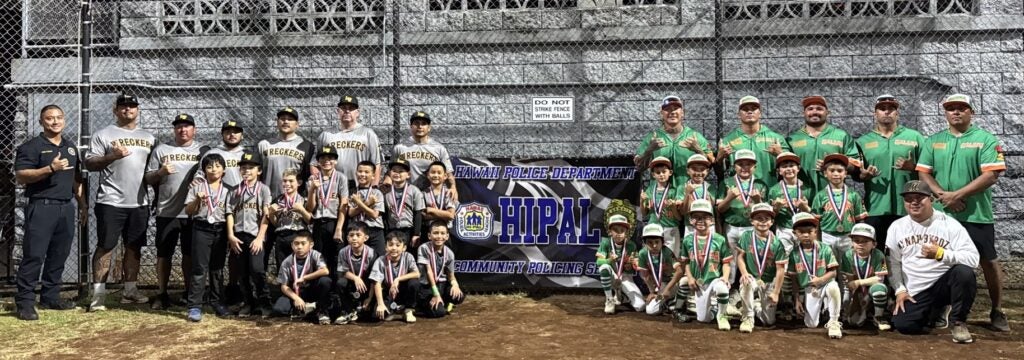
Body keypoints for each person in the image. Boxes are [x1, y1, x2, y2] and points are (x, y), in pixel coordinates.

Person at [916, 93, 1009, 331]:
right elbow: (924, 172)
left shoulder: (985, 139)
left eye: (961, 108)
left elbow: (991, 174)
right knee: (940, 259)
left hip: (975, 214)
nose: (956, 112)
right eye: (951, 108)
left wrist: (958, 195)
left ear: (971, 112)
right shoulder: (934, 140)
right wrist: (941, 196)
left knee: (988, 260)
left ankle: (997, 310)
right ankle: (942, 307)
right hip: (942, 213)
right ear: (945, 113)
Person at [14, 104, 87, 320]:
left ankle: (50, 296)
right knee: (34, 255)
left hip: (66, 207)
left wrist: (82, 205)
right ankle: (25, 302)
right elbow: (21, 175)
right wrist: (49, 169)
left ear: (64, 120)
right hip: (42, 206)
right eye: (49, 118)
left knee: (59, 254)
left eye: (58, 118)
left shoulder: (70, 147)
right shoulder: (32, 147)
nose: (55, 122)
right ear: (41, 122)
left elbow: (76, 179)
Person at [84, 94, 155, 311]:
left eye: (132, 106)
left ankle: (130, 291)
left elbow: (153, 170)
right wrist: (111, 156)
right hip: (111, 201)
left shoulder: (149, 137)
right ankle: (98, 296)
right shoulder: (103, 134)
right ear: (116, 110)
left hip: (139, 202)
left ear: (138, 110)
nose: (128, 110)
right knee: (106, 246)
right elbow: (89, 163)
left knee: (134, 247)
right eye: (123, 107)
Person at [886, 180, 979, 343]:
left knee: (964, 273)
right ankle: (936, 311)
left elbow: (973, 259)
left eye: (919, 197)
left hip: (943, 284)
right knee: (904, 326)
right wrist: (899, 290)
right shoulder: (897, 227)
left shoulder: (950, 225)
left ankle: (958, 322)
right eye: (909, 198)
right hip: (916, 290)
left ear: (931, 199)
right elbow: (892, 263)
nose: (914, 202)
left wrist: (942, 254)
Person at [145, 113, 207, 310]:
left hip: (193, 212)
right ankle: (162, 293)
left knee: (190, 254)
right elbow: (148, 178)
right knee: (164, 253)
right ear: (174, 130)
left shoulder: (203, 151)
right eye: (179, 126)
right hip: (167, 210)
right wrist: (160, 172)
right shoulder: (162, 150)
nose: (183, 130)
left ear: (194, 130)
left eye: (187, 126)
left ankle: (189, 293)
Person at [855, 95, 925, 247]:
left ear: (897, 113)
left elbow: (929, 169)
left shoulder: (915, 137)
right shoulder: (863, 142)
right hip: (875, 208)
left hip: (908, 207)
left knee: (909, 251)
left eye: (891, 109)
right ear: (875, 114)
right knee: (878, 253)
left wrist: (912, 167)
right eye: (882, 109)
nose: (887, 112)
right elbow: (856, 174)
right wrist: (863, 175)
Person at [184, 154, 234, 321]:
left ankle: (218, 302)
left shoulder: (229, 190)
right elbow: (188, 211)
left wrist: (229, 234)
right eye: (210, 167)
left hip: (220, 229)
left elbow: (230, 214)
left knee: (217, 268)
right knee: (199, 268)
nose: (214, 170)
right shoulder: (196, 188)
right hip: (201, 228)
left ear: (224, 169)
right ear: (204, 170)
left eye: (218, 166)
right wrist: (197, 200)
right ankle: (194, 306)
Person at [786, 95, 862, 199]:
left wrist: (833, 164)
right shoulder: (792, 139)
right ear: (804, 113)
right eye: (810, 109)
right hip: (801, 197)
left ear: (827, 112)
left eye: (819, 109)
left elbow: (855, 167)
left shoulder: (841, 136)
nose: (814, 112)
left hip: (834, 197)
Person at [228, 149, 273, 317]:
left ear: (259, 171)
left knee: (257, 270)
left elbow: (266, 216)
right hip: (239, 236)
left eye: (251, 167)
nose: (247, 171)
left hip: (256, 236)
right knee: (242, 272)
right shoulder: (234, 191)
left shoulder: (263, 190)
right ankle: (248, 303)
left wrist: (260, 238)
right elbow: (229, 214)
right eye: (244, 168)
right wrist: (231, 236)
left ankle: (265, 303)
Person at [677, 200, 733, 330]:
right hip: (698, 282)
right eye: (696, 217)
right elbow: (686, 262)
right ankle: (714, 308)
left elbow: (726, 263)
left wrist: (725, 277)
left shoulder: (719, 239)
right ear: (690, 220)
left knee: (722, 288)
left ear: (712, 220)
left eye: (705, 217)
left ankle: (722, 315)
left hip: (714, 279)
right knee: (703, 319)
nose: (700, 221)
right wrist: (690, 277)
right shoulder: (687, 240)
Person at [634, 95, 714, 185]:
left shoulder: (695, 136)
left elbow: (710, 167)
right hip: (659, 195)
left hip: (687, 193)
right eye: (667, 109)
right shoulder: (653, 137)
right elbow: (639, 168)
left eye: (676, 108)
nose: (672, 112)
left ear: (682, 113)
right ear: (661, 114)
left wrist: (698, 150)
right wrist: (649, 150)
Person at [787, 212, 843, 339]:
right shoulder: (793, 254)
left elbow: (833, 272)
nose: (806, 235)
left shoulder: (825, 249)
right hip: (808, 288)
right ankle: (824, 308)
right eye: (801, 232)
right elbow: (794, 279)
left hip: (824, 284)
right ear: (794, 233)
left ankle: (834, 322)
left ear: (816, 231)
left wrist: (821, 280)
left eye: (809, 231)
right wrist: (797, 299)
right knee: (811, 324)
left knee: (833, 287)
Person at [735, 203, 788, 333]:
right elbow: (740, 257)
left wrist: (776, 292)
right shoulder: (746, 237)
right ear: (752, 221)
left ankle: (755, 306)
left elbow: (780, 269)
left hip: (768, 280)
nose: (762, 222)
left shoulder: (777, 243)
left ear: (772, 222)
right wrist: (744, 273)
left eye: (766, 219)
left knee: (768, 321)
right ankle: (747, 318)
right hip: (752, 277)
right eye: (758, 218)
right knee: (746, 283)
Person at [716, 96, 790, 187]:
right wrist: (719, 159)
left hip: (769, 190)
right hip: (738, 193)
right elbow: (719, 173)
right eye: (745, 109)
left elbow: (790, 167)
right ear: (738, 114)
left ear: (760, 113)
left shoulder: (776, 139)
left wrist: (780, 153)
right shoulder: (728, 140)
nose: (749, 111)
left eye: (754, 109)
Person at [306, 145, 349, 297]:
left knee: (337, 258)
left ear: (335, 161)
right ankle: (321, 295)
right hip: (318, 223)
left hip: (335, 222)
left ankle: (336, 296)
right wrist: (312, 190)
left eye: (330, 158)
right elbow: (310, 208)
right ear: (318, 162)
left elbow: (344, 205)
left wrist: (339, 228)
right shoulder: (312, 179)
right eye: (322, 158)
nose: (326, 161)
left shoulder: (341, 178)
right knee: (320, 258)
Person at [318, 95, 383, 187]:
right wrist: (320, 186)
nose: (347, 111)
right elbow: (314, 163)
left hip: (360, 186)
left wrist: (374, 187)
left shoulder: (368, 134)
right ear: (338, 111)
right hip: (332, 188)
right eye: (343, 108)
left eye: (351, 108)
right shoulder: (326, 135)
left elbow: (376, 164)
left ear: (358, 112)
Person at [811, 154, 867, 259]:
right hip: (827, 235)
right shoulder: (820, 196)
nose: (836, 174)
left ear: (845, 173)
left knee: (847, 267)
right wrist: (817, 240)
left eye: (840, 171)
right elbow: (816, 222)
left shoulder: (854, 195)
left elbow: (860, 220)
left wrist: (858, 239)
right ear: (825, 174)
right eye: (832, 171)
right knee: (829, 266)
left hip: (848, 236)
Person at [390, 111, 457, 199]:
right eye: (416, 123)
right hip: (406, 195)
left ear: (429, 128)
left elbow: (448, 173)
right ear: (411, 127)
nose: (420, 126)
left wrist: (453, 187)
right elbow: (390, 172)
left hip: (432, 195)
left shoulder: (439, 148)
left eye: (423, 124)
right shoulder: (400, 148)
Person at [272, 231, 332, 325]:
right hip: (296, 292)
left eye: (303, 243)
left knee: (325, 281)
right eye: (296, 244)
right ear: (292, 245)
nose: (299, 247)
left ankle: (320, 309)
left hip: (312, 290)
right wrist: (296, 298)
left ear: (311, 245)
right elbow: (284, 286)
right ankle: (303, 309)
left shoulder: (316, 255)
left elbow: (325, 271)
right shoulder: (287, 262)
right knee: (278, 309)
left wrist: (304, 278)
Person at [840, 223, 890, 331]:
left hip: (871, 288)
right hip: (856, 290)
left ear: (874, 244)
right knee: (853, 322)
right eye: (857, 241)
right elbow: (849, 281)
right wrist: (854, 302)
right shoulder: (847, 255)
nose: (860, 244)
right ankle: (861, 312)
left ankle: (878, 317)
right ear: (852, 242)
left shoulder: (879, 255)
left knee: (879, 289)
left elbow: (879, 279)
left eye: (865, 241)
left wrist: (859, 283)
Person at [416, 221, 466, 318]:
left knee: (459, 294)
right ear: (429, 235)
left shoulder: (449, 253)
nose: (439, 236)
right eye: (435, 233)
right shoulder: (424, 248)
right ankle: (423, 305)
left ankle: (444, 301)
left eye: (442, 233)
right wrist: (435, 293)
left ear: (447, 236)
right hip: (428, 286)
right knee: (439, 313)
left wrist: (455, 285)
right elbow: (429, 271)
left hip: (441, 284)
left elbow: (451, 276)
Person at [596, 214, 644, 314]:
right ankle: (609, 300)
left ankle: (621, 295)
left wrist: (632, 264)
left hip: (625, 277)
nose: (619, 233)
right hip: (613, 276)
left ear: (626, 232)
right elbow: (599, 262)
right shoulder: (606, 243)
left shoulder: (631, 245)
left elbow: (635, 266)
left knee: (640, 306)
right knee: (604, 267)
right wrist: (609, 260)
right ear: (610, 232)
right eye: (615, 230)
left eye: (622, 230)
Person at [634, 223, 684, 317]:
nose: (654, 245)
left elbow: (680, 271)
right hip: (658, 287)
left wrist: (667, 289)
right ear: (644, 243)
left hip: (671, 284)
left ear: (663, 241)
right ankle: (668, 304)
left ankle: (673, 301)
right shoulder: (642, 254)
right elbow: (645, 275)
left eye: (657, 242)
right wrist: (652, 292)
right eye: (650, 242)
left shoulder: (667, 252)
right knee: (650, 310)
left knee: (682, 284)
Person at [370, 232, 421, 323]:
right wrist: (381, 304)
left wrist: (397, 279)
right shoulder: (380, 260)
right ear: (385, 247)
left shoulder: (408, 257)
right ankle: (396, 313)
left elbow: (417, 273)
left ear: (404, 248)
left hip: (403, 290)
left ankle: (408, 309)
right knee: (377, 315)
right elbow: (376, 282)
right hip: (389, 291)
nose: (394, 248)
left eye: (398, 245)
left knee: (414, 283)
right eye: (390, 245)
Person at [334, 221, 377, 325]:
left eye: (358, 235)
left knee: (373, 316)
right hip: (352, 282)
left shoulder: (372, 253)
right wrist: (355, 278)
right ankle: (348, 311)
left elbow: (374, 278)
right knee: (340, 283)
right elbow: (342, 271)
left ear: (365, 238)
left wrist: (369, 298)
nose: (354, 238)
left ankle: (365, 305)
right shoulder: (343, 252)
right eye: (351, 235)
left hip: (367, 283)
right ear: (347, 238)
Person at [269, 168, 312, 267]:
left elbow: (310, 220)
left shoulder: (303, 200)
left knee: (298, 268)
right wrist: (271, 214)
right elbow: (275, 223)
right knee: (282, 267)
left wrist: (301, 210)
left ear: (299, 183)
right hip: (281, 236)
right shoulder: (277, 200)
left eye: (291, 181)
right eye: (284, 181)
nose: (287, 184)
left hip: (298, 236)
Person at [640, 156, 682, 255]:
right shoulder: (650, 190)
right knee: (653, 257)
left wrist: (673, 207)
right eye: (658, 172)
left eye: (664, 171)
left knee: (672, 258)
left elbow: (679, 218)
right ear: (653, 175)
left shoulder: (674, 191)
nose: (661, 175)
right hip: (653, 227)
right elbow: (644, 213)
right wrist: (642, 201)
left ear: (670, 173)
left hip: (670, 227)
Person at [383, 160, 426, 247]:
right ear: (390, 173)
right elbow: (385, 215)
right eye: (394, 171)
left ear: (408, 175)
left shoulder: (414, 191)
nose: (397, 173)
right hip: (392, 230)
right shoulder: (386, 192)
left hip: (408, 230)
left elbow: (418, 213)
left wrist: (416, 234)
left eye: (401, 171)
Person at [348, 160, 386, 256]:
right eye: (360, 171)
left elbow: (374, 214)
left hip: (375, 229)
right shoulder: (352, 192)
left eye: (366, 172)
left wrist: (358, 203)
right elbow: (351, 213)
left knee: (378, 258)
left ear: (373, 175)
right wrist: (368, 203)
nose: (362, 174)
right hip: (357, 231)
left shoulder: (377, 193)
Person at [677, 154, 717, 239]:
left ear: (707, 171)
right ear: (688, 171)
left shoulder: (710, 187)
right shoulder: (682, 187)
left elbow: (713, 207)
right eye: (694, 169)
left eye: (702, 169)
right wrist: (688, 194)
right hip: (690, 225)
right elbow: (683, 212)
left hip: (708, 225)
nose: (698, 173)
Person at [421, 161, 457, 247]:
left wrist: (431, 210)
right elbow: (423, 216)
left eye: (439, 173)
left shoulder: (449, 193)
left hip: (445, 233)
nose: (436, 175)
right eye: (433, 172)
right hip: (428, 232)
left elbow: (451, 215)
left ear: (445, 176)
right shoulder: (422, 194)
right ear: (428, 175)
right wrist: (444, 214)